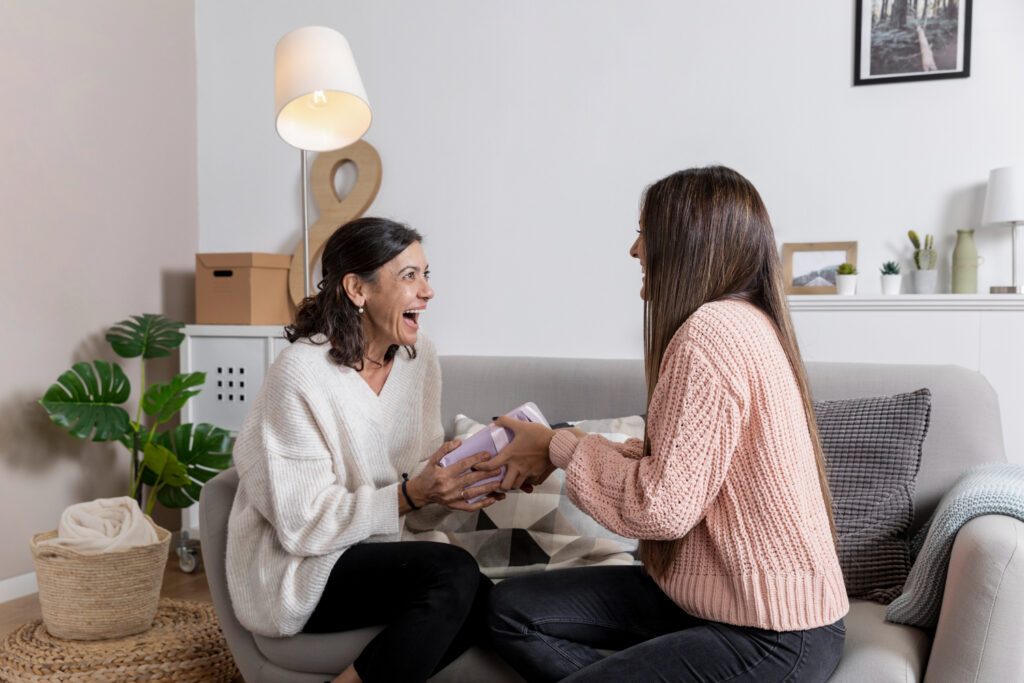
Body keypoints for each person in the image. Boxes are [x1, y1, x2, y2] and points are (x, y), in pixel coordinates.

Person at [480, 166, 850, 682]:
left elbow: (660, 508)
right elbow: (684, 469)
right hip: (708, 598)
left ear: (687, 241)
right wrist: (563, 443)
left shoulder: (709, 333)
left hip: (772, 632)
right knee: (507, 610)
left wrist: (563, 449)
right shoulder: (745, 318)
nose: (634, 251)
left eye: (643, 232)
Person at [225, 217, 504, 683]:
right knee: (453, 572)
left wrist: (454, 486)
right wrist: (412, 494)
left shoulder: (420, 360)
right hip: (305, 565)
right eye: (409, 276)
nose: (427, 291)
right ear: (357, 289)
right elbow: (302, 526)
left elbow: (413, 505)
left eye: (426, 274)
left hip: (381, 549)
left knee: (495, 605)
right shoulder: (301, 374)